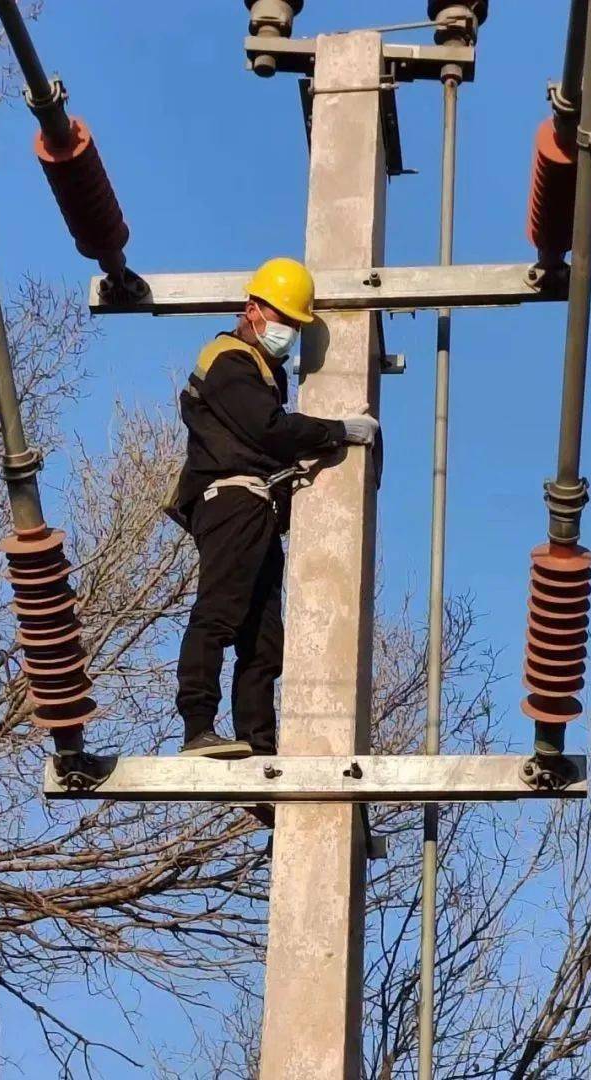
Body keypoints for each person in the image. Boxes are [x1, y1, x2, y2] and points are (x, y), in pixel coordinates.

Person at [166, 257, 380, 759]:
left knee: (264, 640)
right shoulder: (230, 360)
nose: (286, 332)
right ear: (253, 310)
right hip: (230, 499)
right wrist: (336, 430)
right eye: (281, 320)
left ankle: (256, 746)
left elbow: (270, 436)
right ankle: (198, 726)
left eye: (292, 324)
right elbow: (268, 430)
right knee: (219, 614)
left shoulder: (262, 371)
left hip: (256, 506)